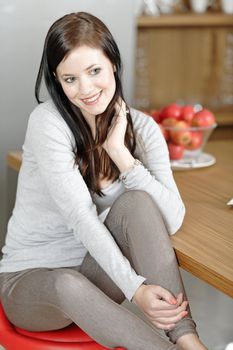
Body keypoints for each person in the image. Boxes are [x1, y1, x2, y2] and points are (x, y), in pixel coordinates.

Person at [0, 12, 207, 350]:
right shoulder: (47, 123)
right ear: (56, 79)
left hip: (93, 274)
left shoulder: (142, 128)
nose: (86, 90)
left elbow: (170, 219)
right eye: (70, 79)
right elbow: (81, 218)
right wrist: (136, 290)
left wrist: (123, 158)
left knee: (137, 203)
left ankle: (189, 340)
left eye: (94, 71)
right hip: (30, 286)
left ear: (113, 63)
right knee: (65, 282)